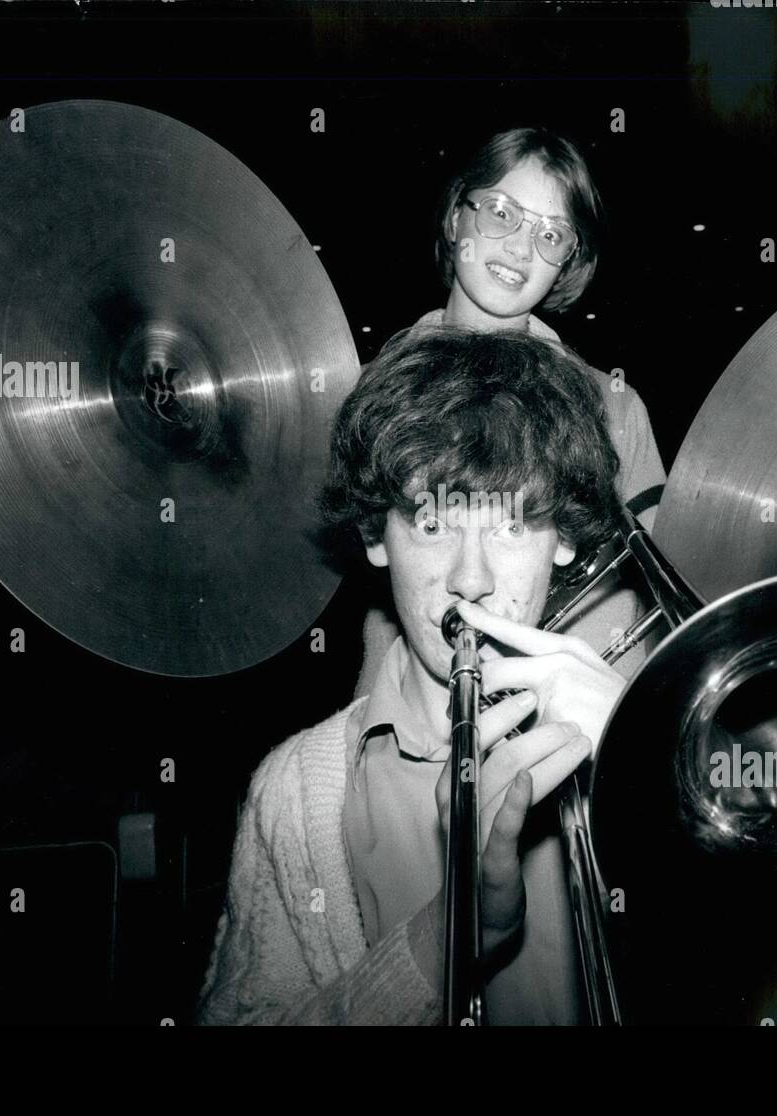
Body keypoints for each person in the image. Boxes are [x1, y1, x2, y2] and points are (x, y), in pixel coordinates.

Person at [198, 327, 628, 1025]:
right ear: (375, 537)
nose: (472, 581)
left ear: (567, 539)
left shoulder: (632, 735)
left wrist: (652, 769)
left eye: (512, 526)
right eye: (431, 524)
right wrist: (446, 939)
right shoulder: (298, 790)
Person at [354, 127, 667, 697]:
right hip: (417, 713)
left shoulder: (613, 407)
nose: (521, 248)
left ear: (566, 264)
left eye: (552, 234)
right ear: (455, 219)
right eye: (501, 212)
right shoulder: (376, 395)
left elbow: (659, 580)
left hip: (586, 710)